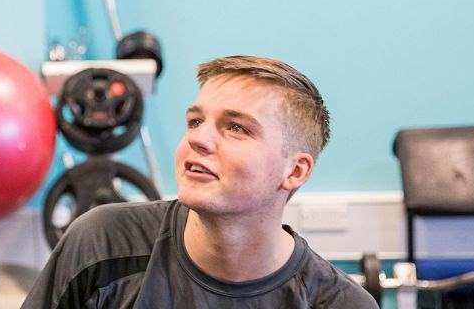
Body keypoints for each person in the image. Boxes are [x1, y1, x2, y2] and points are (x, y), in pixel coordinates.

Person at [21, 55, 376, 308]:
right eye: (195, 121)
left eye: (236, 128)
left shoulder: (338, 302)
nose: (199, 139)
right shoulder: (101, 242)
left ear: (294, 171)